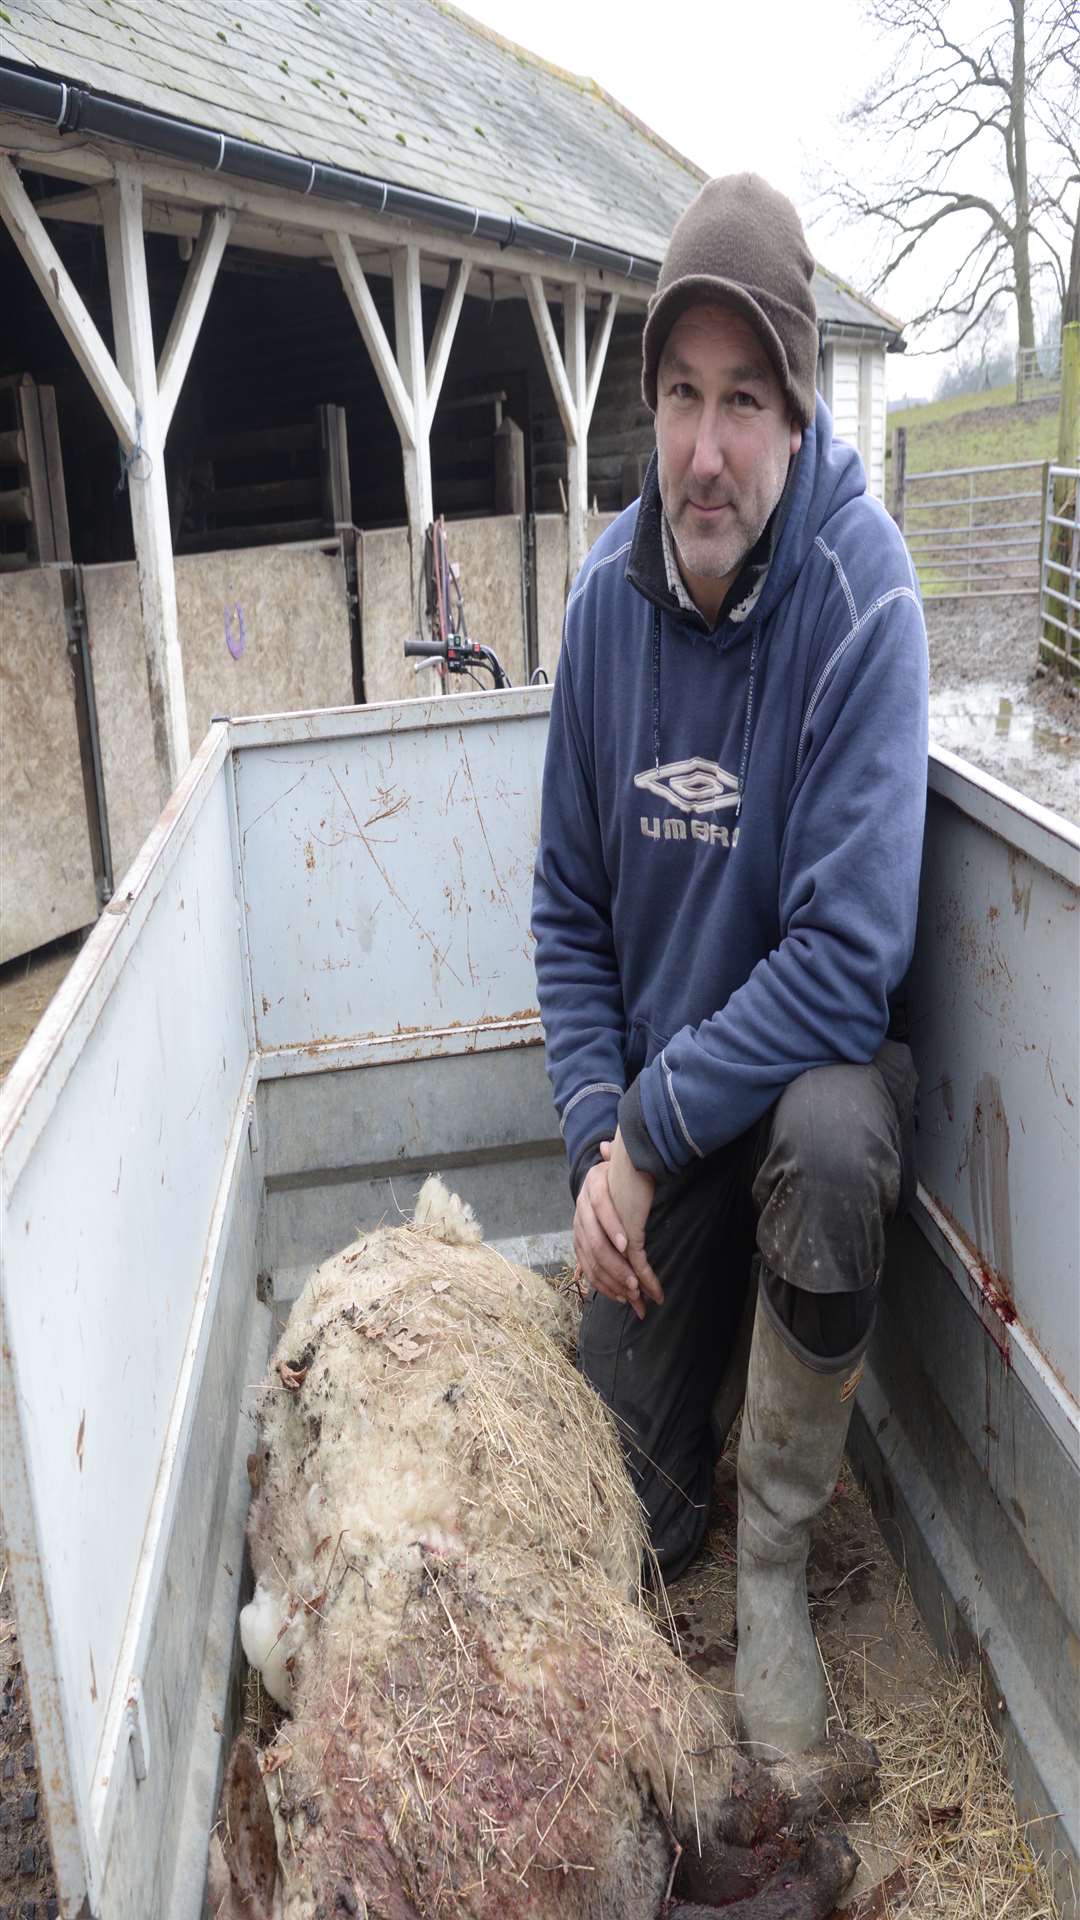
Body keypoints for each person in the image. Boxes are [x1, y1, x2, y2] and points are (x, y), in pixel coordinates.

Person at [531, 173, 928, 1766]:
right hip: (665, 1122)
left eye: (744, 402)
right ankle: (696, 1449)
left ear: (796, 410)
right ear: (652, 408)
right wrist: (593, 1148)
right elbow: (565, 910)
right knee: (627, 1516)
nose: (705, 450)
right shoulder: (601, 613)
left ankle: (776, 1567)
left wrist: (647, 1126)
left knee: (834, 1137)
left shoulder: (859, 597)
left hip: (777, 1103)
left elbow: (847, 965)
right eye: (681, 398)